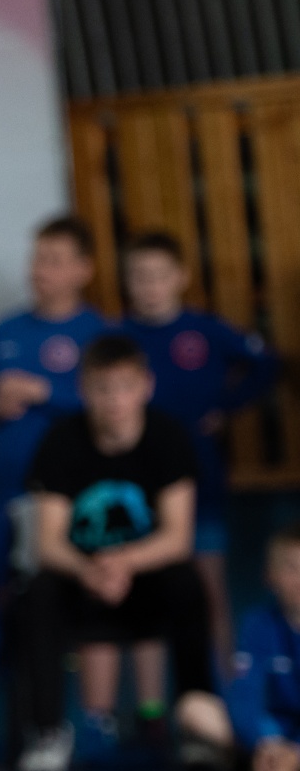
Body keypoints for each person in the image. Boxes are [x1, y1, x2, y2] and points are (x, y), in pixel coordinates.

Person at [11, 335, 213, 771]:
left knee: (188, 584)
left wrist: (123, 563)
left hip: (144, 578)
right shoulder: (61, 441)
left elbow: (178, 537)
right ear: (84, 390)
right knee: (38, 592)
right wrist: (89, 570)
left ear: (146, 386)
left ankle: (198, 727)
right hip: (83, 579)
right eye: (103, 389)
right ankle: (47, 733)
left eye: (125, 387)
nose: (115, 400)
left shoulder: (168, 437)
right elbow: (48, 543)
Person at [120, 231, 279, 670]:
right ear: (127, 282)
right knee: (145, 592)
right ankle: (153, 698)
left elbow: (265, 363)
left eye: (159, 276)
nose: (150, 286)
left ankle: (224, 684)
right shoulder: (119, 336)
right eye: (140, 277)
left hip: (199, 477)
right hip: (139, 482)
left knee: (209, 588)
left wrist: (225, 406)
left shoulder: (204, 329)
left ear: (181, 277)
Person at [0, 216, 110, 589]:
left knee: (81, 594)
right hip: (12, 491)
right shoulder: (4, 331)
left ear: (83, 270)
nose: (40, 269)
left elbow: (118, 409)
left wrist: (45, 392)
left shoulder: (101, 334)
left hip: (84, 494)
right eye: (37, 258)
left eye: (54, 260)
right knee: (15, 596)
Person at [180, 526, 300, 771]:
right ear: (270, 575)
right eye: (291, 568)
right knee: (193, 708)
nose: (298, 579)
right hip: (271, 731)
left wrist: (294, 752)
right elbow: (245, 693)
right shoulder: (257, 624)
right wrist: (265, 743)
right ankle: (264, 761)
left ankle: (258, 764)